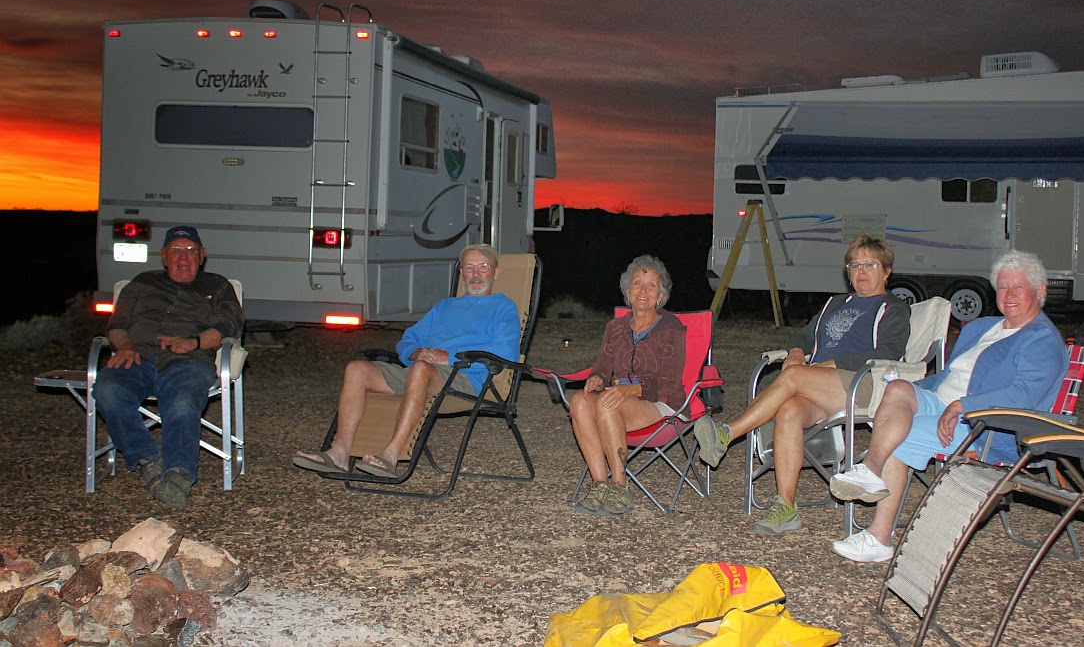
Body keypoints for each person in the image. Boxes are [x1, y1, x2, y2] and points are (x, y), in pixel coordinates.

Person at [828, 250, 1067, 563]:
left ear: (1039, 292)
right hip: (945, 406)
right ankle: (871, 470)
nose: (1008, 296)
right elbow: (947, 376)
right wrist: (910, 387)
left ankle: (879, 538)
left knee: (901, 433)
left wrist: (961, 406)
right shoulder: (981, 328)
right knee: (898, 388)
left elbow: (1022, 396)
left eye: (1018, 288)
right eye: (1003, 288)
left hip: (988, 426)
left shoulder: (1041, 340)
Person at [694, 234, 910, 535]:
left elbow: (888, 352)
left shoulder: (893, 308)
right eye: (855, 265)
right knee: (790, 410)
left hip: (863, 383)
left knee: (794, 376)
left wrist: (827, 365)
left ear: (886, 271)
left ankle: (727, 433)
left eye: (870, 265)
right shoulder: (835, 303)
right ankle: (786, 506)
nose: (861, 272)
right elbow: (805, 336)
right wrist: (796, 351)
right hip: (820, 386)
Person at [294, 244, 520, 477]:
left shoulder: (504, 308)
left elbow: (506, 353)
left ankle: (391, 455)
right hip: (420, 372)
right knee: (357, 369)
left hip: (466, 379)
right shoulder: (445, 306)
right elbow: (408, 339)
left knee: (421, 370)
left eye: (483, 267)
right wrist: (415, 353)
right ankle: (339, 452)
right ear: (462, 272)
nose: (475, 274)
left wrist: (449, 358)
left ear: (496, 272)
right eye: (469, 267)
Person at [95, 225, 244, 508]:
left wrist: (194, 342)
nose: (183, 257)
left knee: (181, 403)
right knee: (107, 390)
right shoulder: (141, 283)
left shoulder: (217, 285)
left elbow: (230, 326)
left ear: (202, 255)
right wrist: (124, 344)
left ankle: (178, 475)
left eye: (190, 250)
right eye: (176, 250)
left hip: (187, 359)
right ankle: (148, 457)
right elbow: (116, 324)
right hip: (135, 356)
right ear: (164, 256)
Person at [569, 255, 687, 516]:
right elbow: (601, 367)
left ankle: (620, 487)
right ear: (627, 290)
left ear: (661, 295)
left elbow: (670, 382)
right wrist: (596, 378)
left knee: (608, 403)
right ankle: (600, 484)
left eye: (651, 285)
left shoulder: (671, 328)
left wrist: (630, 390)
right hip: (619, 400)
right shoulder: (615, 327)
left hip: (662, 403)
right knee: (580, 401)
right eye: (637, 284)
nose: (643, 291)